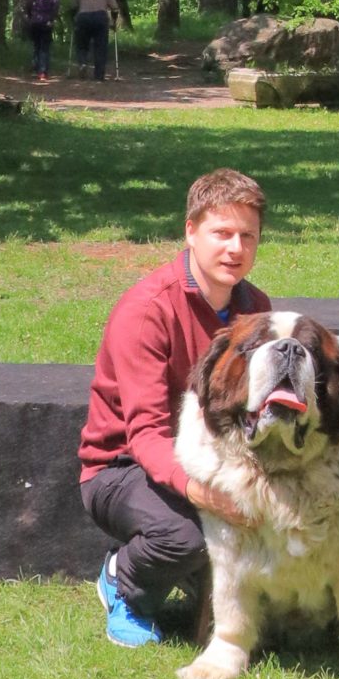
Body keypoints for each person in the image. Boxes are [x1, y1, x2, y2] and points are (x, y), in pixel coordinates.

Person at [79, 170, 271, 646]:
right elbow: (146, 433)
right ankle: (124, 583)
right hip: (121, 467)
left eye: (247, 236)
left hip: (214, 457)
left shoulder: (257, 307)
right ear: (190, 231)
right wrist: (201, 493)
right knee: (187, 536)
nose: (235, 248)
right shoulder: (148, 309)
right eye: (221, 233)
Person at [72, 0, 120, 82]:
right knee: (100, 47)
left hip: (83, 17)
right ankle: (99, 75)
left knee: (81, 45)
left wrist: (74, 17)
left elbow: (73, 4)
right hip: (100, 18)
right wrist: (114, 21)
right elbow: (115, 7)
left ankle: (82, 63)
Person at [26, 0, 61, 83]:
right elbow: (55, 8)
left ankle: (35, 67)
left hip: (35, 22)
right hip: (46, 23)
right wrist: (51, 19)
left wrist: (31, 16)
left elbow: (28, 5)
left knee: (36, 46)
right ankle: (42, 72)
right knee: (44, 48)